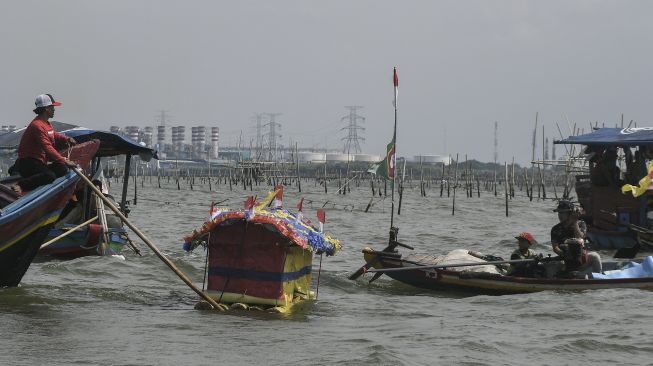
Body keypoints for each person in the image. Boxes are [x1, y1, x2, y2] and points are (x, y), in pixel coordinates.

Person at [10, 94, 77, 193]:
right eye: (52, 107)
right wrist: (64, 160)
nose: (54, 109)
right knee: (50, 176)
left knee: (62, 168)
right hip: (29, 162)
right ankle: (20, 185)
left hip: (39, 162)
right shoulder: (37, 125)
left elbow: (53, 134)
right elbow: (47, 147)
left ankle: (39, 183)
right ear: (47, 109)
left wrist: (67, 139)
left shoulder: (46, 123)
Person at [550, 200, 602, 277]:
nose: (560, 215)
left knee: (595, 256)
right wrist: (563, 253)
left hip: (580, 259)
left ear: (570, 213)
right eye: (559, 213)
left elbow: (580, 238)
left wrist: (575, 223)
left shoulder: (581, 224)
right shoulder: (555, 229)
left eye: (563, 213)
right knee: (552, 265)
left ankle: (597, 278)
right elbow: (555, 247)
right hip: (564, 260)